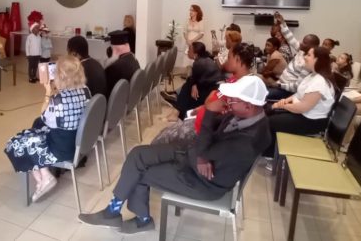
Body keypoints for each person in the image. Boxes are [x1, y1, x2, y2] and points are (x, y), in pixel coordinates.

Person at [78, 75, 271, 234]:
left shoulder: (248, 142)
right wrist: (203, 151)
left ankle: (141, 220)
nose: (228, 102)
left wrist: (209, 114)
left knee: (141, 173)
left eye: (233, 100)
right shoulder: (246, 115)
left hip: (204, 182)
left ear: (249, 106)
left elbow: (206, 147)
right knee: (137, 154)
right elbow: (206, 142)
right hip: (196, 158)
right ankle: (112, 213)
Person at [4, 55, 90, 202]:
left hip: (62, 150)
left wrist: (48, 92)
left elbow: (44, 115)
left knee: (15, 143)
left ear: (60, 77)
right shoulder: (86, 91)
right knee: (34, 127)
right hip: (78, 142)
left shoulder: (58, 102)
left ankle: (43, 177)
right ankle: (44, 174)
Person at [264, 46, 336, 158]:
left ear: (317, 60)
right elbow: (298, 94)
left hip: (311, 121)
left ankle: (270, 156)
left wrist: (282, 105)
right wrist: (285, 101)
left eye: (309, 55)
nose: (305, 57)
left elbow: (303, 107)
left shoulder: (319, 82)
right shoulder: (312, 75)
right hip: (302, 114)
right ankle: (268, 151)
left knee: (270, 122)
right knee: (269, 113)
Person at [264, 12, 320, 99]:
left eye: (305, 42)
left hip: (287, 91)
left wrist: (278, 85)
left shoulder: (308, 64)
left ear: (312, 47)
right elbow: (290, 37)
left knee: (261, 95)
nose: (301, 43)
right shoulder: (302, 51)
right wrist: (282, 22)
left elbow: (297, 87)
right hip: (280, 83)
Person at [162, 42, 223, 121]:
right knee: (188, 87)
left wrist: (193, 85)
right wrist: (194, 85)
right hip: (211, 88)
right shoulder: (206, 59)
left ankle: (176, 111)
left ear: (195, 54)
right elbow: (196, 78)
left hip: (211, 91)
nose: (187, 51)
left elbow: (194, 79)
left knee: (187, 88)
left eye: (189, 50)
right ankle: (177, 109)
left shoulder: (199, 63)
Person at [104, 30, 140, 99]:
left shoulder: (114, 68)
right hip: (133, 98)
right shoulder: (134, 60)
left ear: (114, 49)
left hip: (118, 101)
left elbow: (105, 92)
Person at [182, 4, 205, 72]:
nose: (190, 12)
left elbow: (201, 33)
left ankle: (195, 74)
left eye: (192, 10)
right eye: (190, 10)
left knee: (195, 60)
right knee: (187, 60)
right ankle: (188, 74)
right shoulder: (187, 20)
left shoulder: (201, 21)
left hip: (197, 44)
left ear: (196, 12)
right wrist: (187, 40)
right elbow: (184, 32)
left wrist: (192, 41)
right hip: (188, 43)